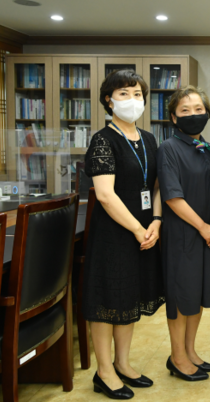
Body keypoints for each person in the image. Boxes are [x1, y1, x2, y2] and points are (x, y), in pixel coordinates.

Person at [84, 69, 165, 399]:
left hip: (145, 231)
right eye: (124, 94)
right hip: (115, 235)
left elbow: (157, 185)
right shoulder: (103, 140)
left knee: (128, 300)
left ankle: (122, 363)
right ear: (108, 99)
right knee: (107, 301)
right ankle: (103, 371)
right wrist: (136, 228)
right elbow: (105, 195)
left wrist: (156, 221)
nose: (132, 100)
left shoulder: (148, 139)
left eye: (137, 94)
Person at [157, 86, 210, 381]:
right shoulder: (168, 148)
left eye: (198, 109)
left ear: (207, 113)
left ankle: (191, 351)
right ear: (173, 117)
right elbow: (172, 197)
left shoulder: (209, 149)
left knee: (197, 296)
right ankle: (177, 357)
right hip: (183, 234)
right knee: (181, 297)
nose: (193, 115)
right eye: (185, 110)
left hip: (208, 234)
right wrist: (204, 227)